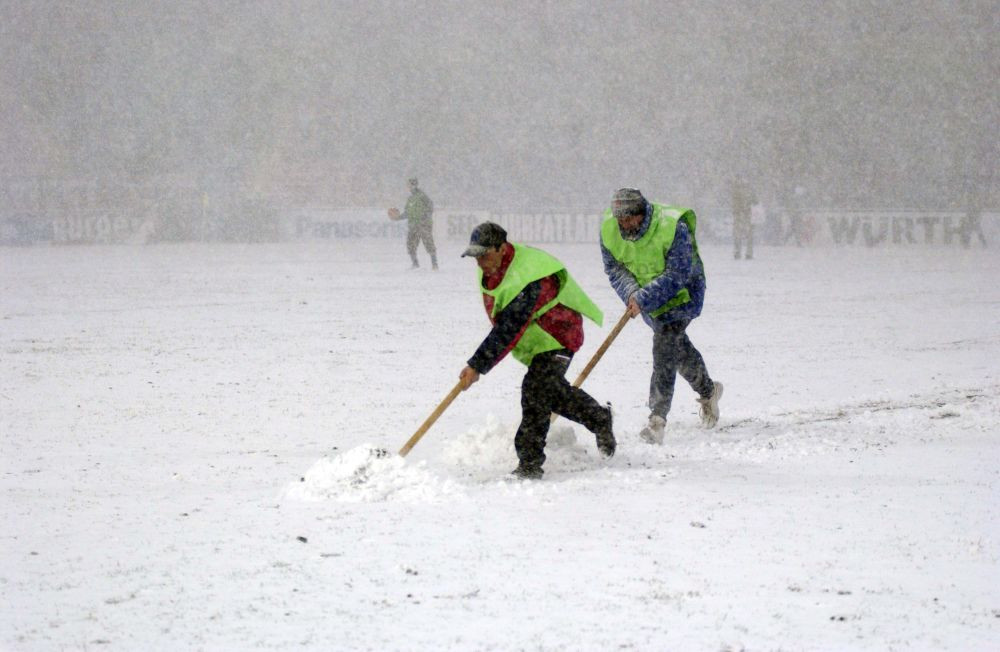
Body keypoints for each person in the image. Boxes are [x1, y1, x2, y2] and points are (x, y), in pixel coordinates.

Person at [458, 221, 616, 479]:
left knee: (536, 389)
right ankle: (599, 418)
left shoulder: (532, 276)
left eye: (483, 255)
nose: (479, 262)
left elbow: (509, 327)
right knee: (550, 392)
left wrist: (477, 365)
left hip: (560, 333)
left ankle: (529, 462)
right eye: (475, 256)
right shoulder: (492, 266)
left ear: (501, 248)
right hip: (533, 341)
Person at [600, 188, 723, 444]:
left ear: (641, 213)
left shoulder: (672, 226)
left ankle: (657, 419)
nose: (623, 225)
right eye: (619, 220)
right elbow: (615, 268)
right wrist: (632, 293)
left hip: (683, 294)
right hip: (648, 300)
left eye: (628, 220)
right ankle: (709, 391)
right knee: (678, 350)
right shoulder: (608, 229)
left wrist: (642, 298)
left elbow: (678, 274)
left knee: (665, 344)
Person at [388, 177, 438, 269]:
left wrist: (425, 217)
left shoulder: (422, 196)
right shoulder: (410, 199)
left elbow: (430, 207)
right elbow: (407, 213)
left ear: (414, 185)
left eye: (409, 185)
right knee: (410, 244)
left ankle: (434, 264)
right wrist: (398, 218)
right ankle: (415, 264)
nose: (408, 187)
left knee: (429, 243)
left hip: (424, 224)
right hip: (413, 225)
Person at [730, 176, 756, 259]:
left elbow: (734, 204)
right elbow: (755, 201)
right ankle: (748, 253)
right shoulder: (749, 192)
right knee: (748, 235)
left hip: (738, 215)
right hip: (746, 215)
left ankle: (738, 252)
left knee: (738, 235)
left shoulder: (735, 192)